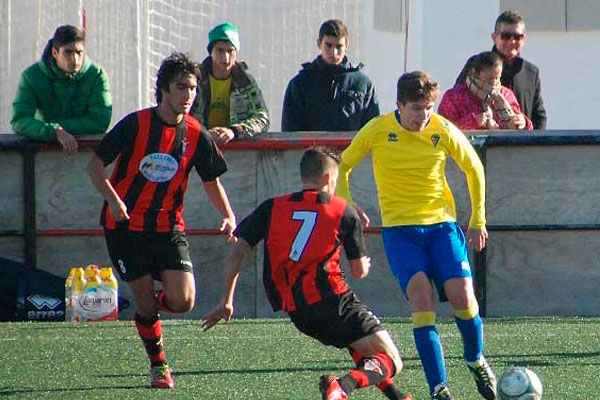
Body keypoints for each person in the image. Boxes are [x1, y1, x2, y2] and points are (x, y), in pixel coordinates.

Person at [335, 71, 497, 400]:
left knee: (463, 296)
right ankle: (439, 388)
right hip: (400, 232)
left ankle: (476, 359)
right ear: (399, 105)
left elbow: (473, 167)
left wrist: (477, 218)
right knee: (421, 298)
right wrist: (348, 203)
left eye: (428, 108)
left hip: (441, 227)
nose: (423, 116)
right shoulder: (378, 130)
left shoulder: (442, 128)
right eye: (416, 109)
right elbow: (343, 164)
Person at [202, 148, 413, 400]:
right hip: (334, 300)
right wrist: (365, 261)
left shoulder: (272, 207)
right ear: (327, 178)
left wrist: (226, 300)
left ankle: (396, 397)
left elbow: (237, 251)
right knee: (391, 359)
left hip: (299, 312)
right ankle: (342, 388)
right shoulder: (343, 210)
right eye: (335, 180)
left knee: (359, 342)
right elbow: (359, 271)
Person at [87, 52, 236, 389]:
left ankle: (150, 309)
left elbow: (211, 180)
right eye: (181, 87)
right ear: (164, 90)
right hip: (124, 228)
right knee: (144, 301)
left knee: (184, 301)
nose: (188, 95)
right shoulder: (136, 124)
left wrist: (227, 215)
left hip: (168, 227)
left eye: (194, 88)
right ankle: (159, 366)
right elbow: (94, 165)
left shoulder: (198, 134)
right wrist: (113, 199)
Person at [11, 25, 112, 153]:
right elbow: (19, 120)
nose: (75, 59)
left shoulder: (96, 75)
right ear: (54, 53)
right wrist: (54, 131)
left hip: (85, 152)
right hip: (42, 154)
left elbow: (100, 121)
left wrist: (60, 129)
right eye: (68, 52)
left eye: (79, 53)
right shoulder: (32, 77)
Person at [281, 19, 379, 132]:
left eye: (339, 46)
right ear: (319, 43)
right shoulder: (301, 84)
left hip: (352, 149)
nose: (334, 52)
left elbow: (372, 130)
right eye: (328, 46)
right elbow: (290, 131)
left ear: (347, 45)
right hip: (311, 148)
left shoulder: (362, 83)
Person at [190, 22, 269, 145]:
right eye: (220, 50)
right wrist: (204, 134)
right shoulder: (195, 80)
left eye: (230, 51)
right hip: (199, 147)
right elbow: (181, 116)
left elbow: (262, 118)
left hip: (238, 151)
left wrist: (234, 131)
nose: (226, 57)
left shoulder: (246, 82)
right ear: (211, 52)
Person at [439, 51, 532, 131]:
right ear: (475, 73)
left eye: (498, 78)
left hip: (505, 150)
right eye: (490, 79)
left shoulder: (506, 95)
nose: (494, 83)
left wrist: (523, 122)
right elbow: (442, 130)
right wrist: (473, 121)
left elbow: (527, 129)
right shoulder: (454, 97)